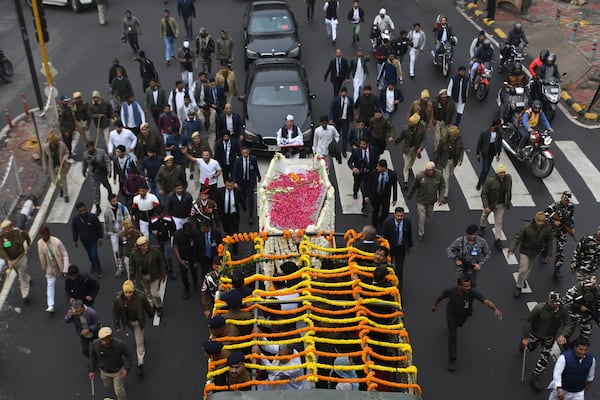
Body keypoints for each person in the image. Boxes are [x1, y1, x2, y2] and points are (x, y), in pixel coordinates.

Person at [432, 276, 502, 371]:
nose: (468, 288)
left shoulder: (472, 292)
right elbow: (441, 297)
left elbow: (485, 300)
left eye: (469, 286)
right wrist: (435, 305)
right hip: (452, 314)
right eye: (466, 286)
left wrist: (495, 308)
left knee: (459, 325)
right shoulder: (451, 291)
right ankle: (452, 360)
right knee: (453, 335)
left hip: (464, 315)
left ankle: (454, 326)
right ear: (459, 286)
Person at [521, 291, 571, 391]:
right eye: (553, 303)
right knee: (529, 347)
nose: (555, 305)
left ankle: (535, 378)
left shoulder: (563, 310)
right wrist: (526, 337)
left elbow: (567, 323)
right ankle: (523, 346)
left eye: (557, 303)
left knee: (544, 359)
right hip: (535, 334)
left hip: (549, 337)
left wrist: (562, 335)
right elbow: (528, 321)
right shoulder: (539, 308)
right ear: (549, 301)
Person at [112, 280, 153, 376]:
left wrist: (151, 315)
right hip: (128, 322)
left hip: (138, 321)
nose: (128, 294)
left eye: (130, 292)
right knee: (137, 335)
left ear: (133, 291)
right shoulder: (118, 300)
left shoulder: (141, 297)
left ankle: (140, 363)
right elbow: (115, 312)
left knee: (139, 343)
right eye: (126, 292)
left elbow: (147, 306)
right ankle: (141, 336)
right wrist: (117, 325)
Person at [509, 212, 554, 298]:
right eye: (539, 221)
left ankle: (523, 279)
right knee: (523, 269)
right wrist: (511, 249)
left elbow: (549, 241)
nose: (541, 223)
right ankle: (519, 286)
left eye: (542, 221)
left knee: (529, 268)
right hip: (525, 250)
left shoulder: (547, 228)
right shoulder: (526, 227)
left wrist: (549, 253)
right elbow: (517, 237)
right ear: (535, 220)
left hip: (535, 252)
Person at [89, 326, 132, 400]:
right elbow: (92, 355)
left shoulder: (119, 344)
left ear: (110, 337)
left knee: (119, 391)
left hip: (118, 371)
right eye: (102, 340)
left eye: (106, 339)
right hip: (104, 371)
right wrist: (92, 370)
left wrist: (126, 368)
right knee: (107, 385)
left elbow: (128, 354)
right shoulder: (95, 344)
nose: (105, 342)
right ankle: (118, 383)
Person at [407, 161, 445, 241]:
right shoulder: (420, 176)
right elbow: (414, 186)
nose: (430, 172)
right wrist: (409, 195)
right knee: (422, 217)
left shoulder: (439, 175)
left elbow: (442, 186)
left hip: (431, 200)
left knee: (429, 214)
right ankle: (421, 233)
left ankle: (423, 221)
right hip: (421, 200)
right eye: (429, 170)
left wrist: (441, 198)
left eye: (432, 170)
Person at [129, 236, 166, 317]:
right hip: (143, 277)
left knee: (155, 293)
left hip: (154, 275)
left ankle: (159, 306)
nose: (145, 247)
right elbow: (132, 266)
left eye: (146, 244)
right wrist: (132, 278)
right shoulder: (134, 254)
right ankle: (152, 305)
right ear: (138, 247)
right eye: (142, 246)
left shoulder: (154, 251)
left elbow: (161, 262)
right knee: (148, 293)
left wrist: (163, 274)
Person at [37, 226, 70, 313]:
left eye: (45, 234)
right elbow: (41, 255)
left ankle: (72, 295)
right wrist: (44, 267)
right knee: (50, 285)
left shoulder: (57, 242)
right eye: (42, 234)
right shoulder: (39, 243)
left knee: (69, 281)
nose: (44, 236)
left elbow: (65, 255)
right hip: (49, 268)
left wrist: (65, 268)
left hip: (61, 266)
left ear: (48, 233)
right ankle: (50, 305)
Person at [544, 191, 575, 279]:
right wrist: (553, 221)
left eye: (567, 200)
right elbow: (544, 216)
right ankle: (544, 253)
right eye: (564, 199)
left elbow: (571, 217)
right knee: (546, 244)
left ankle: (557, 270)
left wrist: (572, 227)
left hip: (563, 231)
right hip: (552, 230)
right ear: (561, 198)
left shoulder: (571, 206)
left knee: (560, 252)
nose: (566, 202)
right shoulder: (554, 206)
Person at [381, 207, 413, 291]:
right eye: (398, 216)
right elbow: (384, 237)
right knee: (388, 266)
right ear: (394, 215)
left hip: (401, 248)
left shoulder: (407, 222)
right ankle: (387, 283)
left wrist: (410, 246)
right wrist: (383, 249)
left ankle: (399, 288)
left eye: (401, 216)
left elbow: (409, 235)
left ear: (403, 215)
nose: (399, 218)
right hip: (390, 248)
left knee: (399, 269)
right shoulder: (387, 223)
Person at [0, 220, 31, 303]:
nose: (8, 231)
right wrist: (7, 260)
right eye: (5, 229)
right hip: (12, 261)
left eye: (8, 228)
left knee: (22, 277)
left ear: (11, 227)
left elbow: (26, 235)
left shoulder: (18, 233)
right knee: (20, 273)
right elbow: (2, 250)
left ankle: (25, 295)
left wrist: (28, 244)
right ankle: (28, 278)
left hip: (21, 258)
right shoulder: (2, 239)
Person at [71, 203, 104, 279]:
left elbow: (99, 227)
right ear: (78, 211)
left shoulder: (92, 217)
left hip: (93, 240)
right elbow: (74, 230)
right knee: (89, 255)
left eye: (84, 210)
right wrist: (75, 240)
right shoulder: (75, 219)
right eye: (81, 211)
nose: (83, 212)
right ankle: (93, 265)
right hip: (84, 241)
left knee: (94, 255)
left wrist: (100, 238)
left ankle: (99, 269)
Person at [433, 125, 463, 203]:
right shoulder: (443, 141)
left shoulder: (459, 140)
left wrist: (460, 158)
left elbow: (462, 148)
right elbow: (438, 152)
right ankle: (444, 195)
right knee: (445, 179)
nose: (456, 137)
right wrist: (434, 163)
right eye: (455, 135)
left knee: (450, 174)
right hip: (446, 161)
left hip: (453, 161)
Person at [395, 113, 426, 190]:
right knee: (406, 163)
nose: (409, 123)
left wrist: (420, 148)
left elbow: (424, 139)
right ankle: (406, 180)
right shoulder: (406, 128)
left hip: (415, 148)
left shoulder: (422, 128)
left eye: (411, 122)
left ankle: (410, 167)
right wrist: (397, 141)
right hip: (407, 148)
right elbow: (402, 136)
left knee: (412, 160)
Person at [364, 159, 397, 229]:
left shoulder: (392, 174)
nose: (377, 168)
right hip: (375, 195)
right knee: (375, 210)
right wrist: (366, 195)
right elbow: (368, 184)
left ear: (384, 167)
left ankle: (380, 220)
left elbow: (394, 186)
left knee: (386, 212)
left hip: (385, 196)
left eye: (379, 167)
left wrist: (394, 198)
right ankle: (374, 225)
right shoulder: (374, 173)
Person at [564, 276, 600, 341]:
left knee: (586, 334)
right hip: (575, 314)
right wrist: (579, 306)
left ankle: (579, 344)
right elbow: (566, 301)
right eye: (586, 286)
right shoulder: (575, 290)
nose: (588, 288)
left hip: (588, 315)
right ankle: (566, 342)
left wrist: (597, 316)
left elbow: (598, 303)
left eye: (590, 286)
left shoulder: (597, 290)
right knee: (568, 331)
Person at [216, 178, 246, 254]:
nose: (229, 188)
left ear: (233, 185)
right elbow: (217, 202)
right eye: (228, 186)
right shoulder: (220, 192)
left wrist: (244, 207)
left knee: (235, 232)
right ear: (225, 184)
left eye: (231, 186)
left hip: (234, 215)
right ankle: (229, 240)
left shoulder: (237, 191)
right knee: (227, 230)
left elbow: (241, 200)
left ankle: (235, 248)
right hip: (224, 215)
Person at [232, 146, 261, 225]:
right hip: (241, 182)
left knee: (251, 198)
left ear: (249, 152)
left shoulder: (253, 159)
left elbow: (256, 168)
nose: (245, 155)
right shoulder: (238, 160)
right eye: (243, 153)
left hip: (250, 181)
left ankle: (251, 216)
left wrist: (259, 176)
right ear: (241, 153)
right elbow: (234, 172)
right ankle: (244, 203)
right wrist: (235, 182)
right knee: (243, 195)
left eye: (246, 153)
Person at [104, 194, 131, 277]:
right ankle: (119, 267)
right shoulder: (107, 210)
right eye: (113, 201)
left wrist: (125, 229)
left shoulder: (122, 207)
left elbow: (128, 218)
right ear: (110, 202)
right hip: (113, 233)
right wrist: (106, 233)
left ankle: (130, 267)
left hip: (123, 231)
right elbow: (106, 222)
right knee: (115, 251)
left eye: (116, 200)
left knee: (127, 248)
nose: (115, 202)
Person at [348, 138, 377, 213]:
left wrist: (374, 170)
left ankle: (364, 207)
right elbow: (350, 161)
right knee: (356, 184)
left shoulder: (373, 150)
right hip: (358, 173)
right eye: (361, 144)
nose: (361, 145)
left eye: (363, 144)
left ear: (367, 144)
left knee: (366, 190)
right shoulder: (356, 151)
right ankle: (355, 192)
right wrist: (353, 168)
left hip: (368, 174)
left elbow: (375, 161)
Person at [173, 222, 201, 299]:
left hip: (193, 256)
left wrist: (197, 260)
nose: (189, 234)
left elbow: (199, 245)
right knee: (183, 274)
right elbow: (175, 246)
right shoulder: (178, 234)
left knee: (194, 271)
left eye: (190, 232)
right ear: (184, 231)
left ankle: (195, 283)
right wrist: (180, 260)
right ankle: (186, 288)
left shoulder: (195, 233)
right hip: (183, 257)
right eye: (187, 232)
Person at [150, 205, 177, 280]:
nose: (159, 216)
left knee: (168, 255)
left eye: (160, 214)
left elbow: (174, 228)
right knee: (161, 255)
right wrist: (153, 231)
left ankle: (171, 269)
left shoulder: (169, 218)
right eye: (157, 215)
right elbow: (150, 228)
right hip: (158, 240)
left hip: (167, 240)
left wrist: (170, 234)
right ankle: (164, 268)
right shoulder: (153, 220)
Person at [42, 133, 70, 203]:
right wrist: (45, 167)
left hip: (62, 166)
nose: (56, 144)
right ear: (51, 142)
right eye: (55, 143)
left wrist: (64, 158)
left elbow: (67, 152)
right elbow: (44, 158)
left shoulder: (62, 144)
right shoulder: (46, 147)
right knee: (54, 181)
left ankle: (65, 194)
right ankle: (61, 188)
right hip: (53, 167)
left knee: (64, 180)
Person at [475, 120, 503, 190]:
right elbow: (479, 143)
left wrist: (498, 154)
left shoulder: (499, 133)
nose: (499, 126)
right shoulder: (485, 132)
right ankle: (479, 183)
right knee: (484, 169)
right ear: (495, 125)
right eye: (498, 125)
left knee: (487, 169)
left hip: (492, 152)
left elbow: (499, 143)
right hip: (485, 152)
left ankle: (483, 182)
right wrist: (478, 153)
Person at [329, 87, 353, 157]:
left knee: (345, 136)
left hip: (345, 120)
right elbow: (332, 109)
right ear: (340, 93)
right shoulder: (336, 100)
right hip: (337, 120)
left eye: (345, 92)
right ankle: (337, 150)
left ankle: (344, 151)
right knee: (337, 136)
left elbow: (351, 109)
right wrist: (331, 119)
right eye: (342, 92)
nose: (344, 94)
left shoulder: (350, 100)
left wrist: (352, 118)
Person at [432, 88, 457, 153]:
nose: (444, 96)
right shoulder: (436, 101)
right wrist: (433, 119)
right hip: (438, 121)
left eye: (445, 94)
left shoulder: (451, 102)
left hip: (446, 122)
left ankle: (442, 148)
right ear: (440, 96)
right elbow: (432, 110)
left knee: (444, 137)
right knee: (437, 137)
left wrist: (452, 122)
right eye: (442, 95)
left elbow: (454, 112)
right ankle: (437, 150)